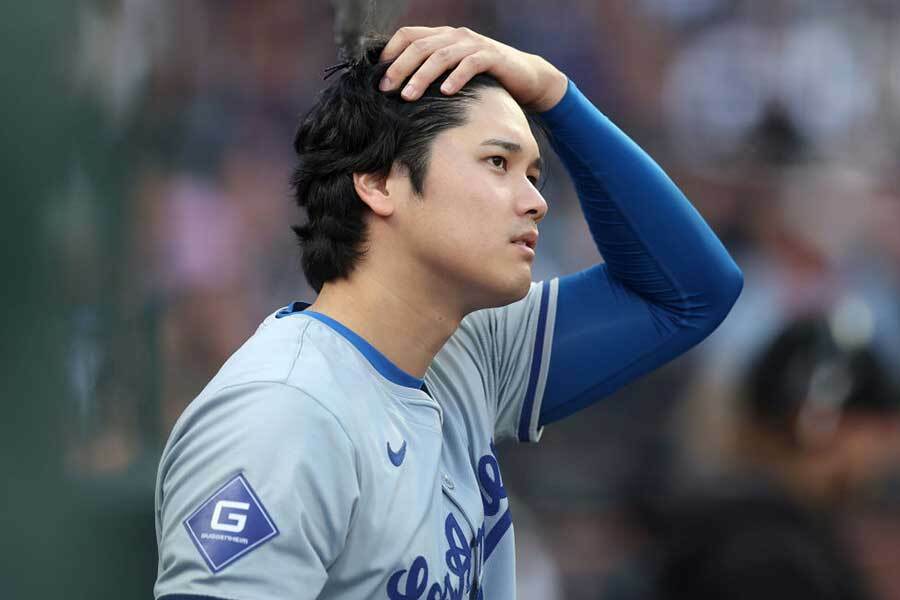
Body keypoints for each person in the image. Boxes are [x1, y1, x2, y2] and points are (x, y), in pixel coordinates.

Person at [154, 26, 743, 600]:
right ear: (380, 181)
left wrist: (556, 94)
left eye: (535, 175)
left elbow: (689, 291)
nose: (537, 201)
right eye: (497, 163)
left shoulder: (464, 352)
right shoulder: (284, 413)